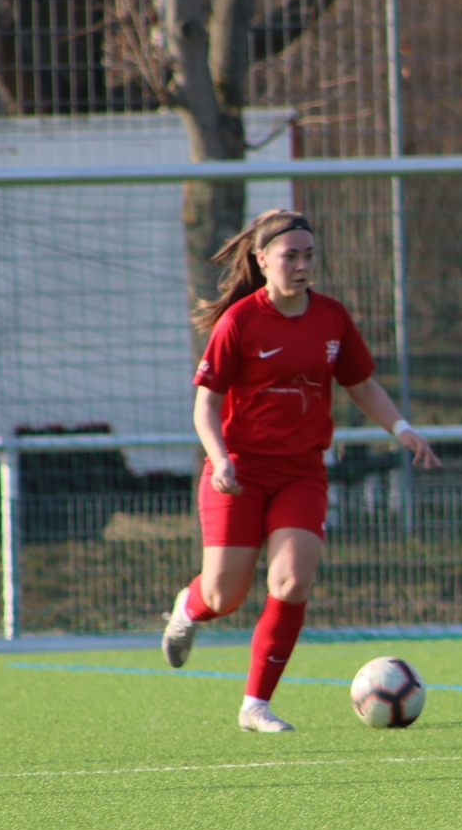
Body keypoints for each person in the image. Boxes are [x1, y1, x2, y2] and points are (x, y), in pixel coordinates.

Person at [161, 209, 439, 732]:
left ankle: (255, 706)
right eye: (291, 255)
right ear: (262, 260)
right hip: (238, 472)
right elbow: (205, 405)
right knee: (225, 596)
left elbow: (360, 384)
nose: (303, 265)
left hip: (302, 472)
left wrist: (402, 429)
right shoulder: (239, 321)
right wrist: (219, 458)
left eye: (310, 255)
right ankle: (189, 607)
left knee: (291, 580)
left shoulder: (332, 318)